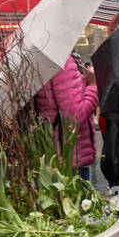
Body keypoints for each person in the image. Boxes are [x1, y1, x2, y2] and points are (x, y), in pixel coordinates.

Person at [34, 53, 98, 181]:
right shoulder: (61, 61)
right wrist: (93, 85)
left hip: (53, 154)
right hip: (70, 158)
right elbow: (74, 117)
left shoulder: (41, 60)